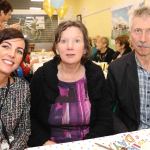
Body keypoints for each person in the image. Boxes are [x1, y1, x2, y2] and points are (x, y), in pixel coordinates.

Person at [28, 20, 113, 147]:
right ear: (56, 48)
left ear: (85, 48)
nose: (70, 46)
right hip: (50, 144)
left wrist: (86, 145)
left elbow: (105, 118)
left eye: (77, 41)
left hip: (89, 143)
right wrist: (44, 142)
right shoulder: (42, 75)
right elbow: (30, 117)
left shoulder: (95, 74)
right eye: (63, 41)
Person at [106, 6, 150, 133]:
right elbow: (106, 109)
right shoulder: (116, 69)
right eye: (137, 31)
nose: (143, 39)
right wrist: (125, 136)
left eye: (149, 30)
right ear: (130, 35)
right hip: (130, 137)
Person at [0, 28, 30, 149]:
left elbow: (24, 130)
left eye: (19, 51)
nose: (12, 54)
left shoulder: (22, 88)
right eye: (6, 46)